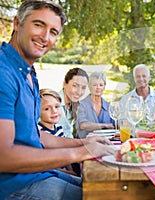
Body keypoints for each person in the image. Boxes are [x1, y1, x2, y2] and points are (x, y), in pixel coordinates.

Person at [0, 1, 114, 199]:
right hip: (14, 188)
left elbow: (35, 135)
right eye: (39, 25)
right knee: (108, 195)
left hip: (36, 175)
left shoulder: (28, 72)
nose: (45, 37)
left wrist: (83, 143)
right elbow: (3, 156)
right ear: (17, 24)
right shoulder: (4, 72)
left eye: (53, 31)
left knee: (106, 185)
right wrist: (79, 154)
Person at [38, 88, 76, 176]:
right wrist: (69, 173)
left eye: (57, 106)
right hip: (52, 173)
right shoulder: (40, 132)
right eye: (47, 109)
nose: (54, 111)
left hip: (65, 170)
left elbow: (64, 152)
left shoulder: (59, 128)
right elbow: (48, 165)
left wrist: (71, 170)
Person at [77, 71, 115, 138]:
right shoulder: (81, 105)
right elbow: (82, 125)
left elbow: (115, 125)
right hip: (86, 144)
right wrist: (104, 125)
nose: (98, 87)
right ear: (89, 86)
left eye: (101, 85)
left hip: (106, 143)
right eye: (94, 85)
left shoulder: (108, 106)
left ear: (104, 87)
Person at [58, 67, 89, 138]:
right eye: (75, 86)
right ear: (64, 84)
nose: (79, 92)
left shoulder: (74, 106)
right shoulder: (54, 102)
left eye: (83, 88)